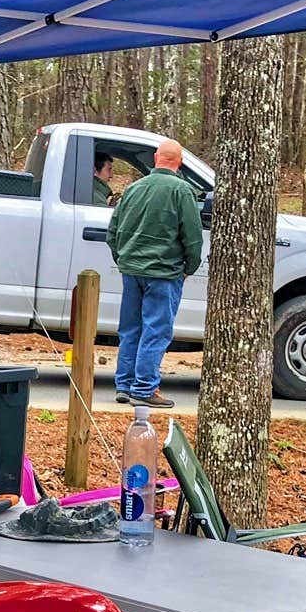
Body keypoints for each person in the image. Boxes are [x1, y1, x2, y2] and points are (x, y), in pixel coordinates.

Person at [107, 137, 203, 410]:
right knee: (156, 331)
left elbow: (113, 232)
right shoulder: (182, 191)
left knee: (130, 329)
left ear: (155, 159)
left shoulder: (133, 189)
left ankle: (124, 385)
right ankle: (145, 387)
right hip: (164, 273)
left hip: (132, 271)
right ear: (180, 162)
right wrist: (188, 268)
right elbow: (193, 238)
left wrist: (124, 259)